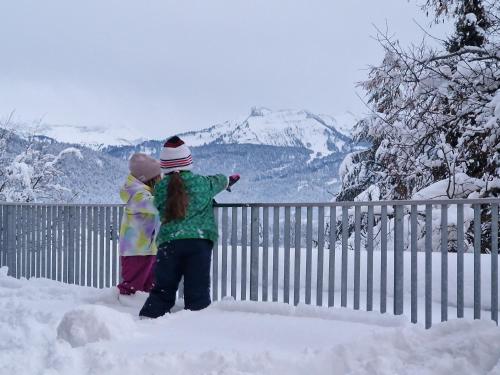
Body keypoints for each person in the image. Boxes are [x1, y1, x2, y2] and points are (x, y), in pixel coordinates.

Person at [139, 136, 239, 318]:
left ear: (165, 164)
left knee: (162, 290)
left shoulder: (161, 188)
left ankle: (146, 324)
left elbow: (159, 204)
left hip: (169, 243)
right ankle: (196, 331)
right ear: (188, 161)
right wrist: (229, 181)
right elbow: (220, 180)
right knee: (197, 293)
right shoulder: (203, 183)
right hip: (198, 243)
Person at [117, 153, 162, 295]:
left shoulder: (142, 192)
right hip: (136, 251)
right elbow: (156, 205)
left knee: (148, 288)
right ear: (149, 178)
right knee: (132, 288)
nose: (160, 179)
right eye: (158, 176)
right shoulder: (136, 194)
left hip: (146, 249)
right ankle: (123, 313)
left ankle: (143, 314)